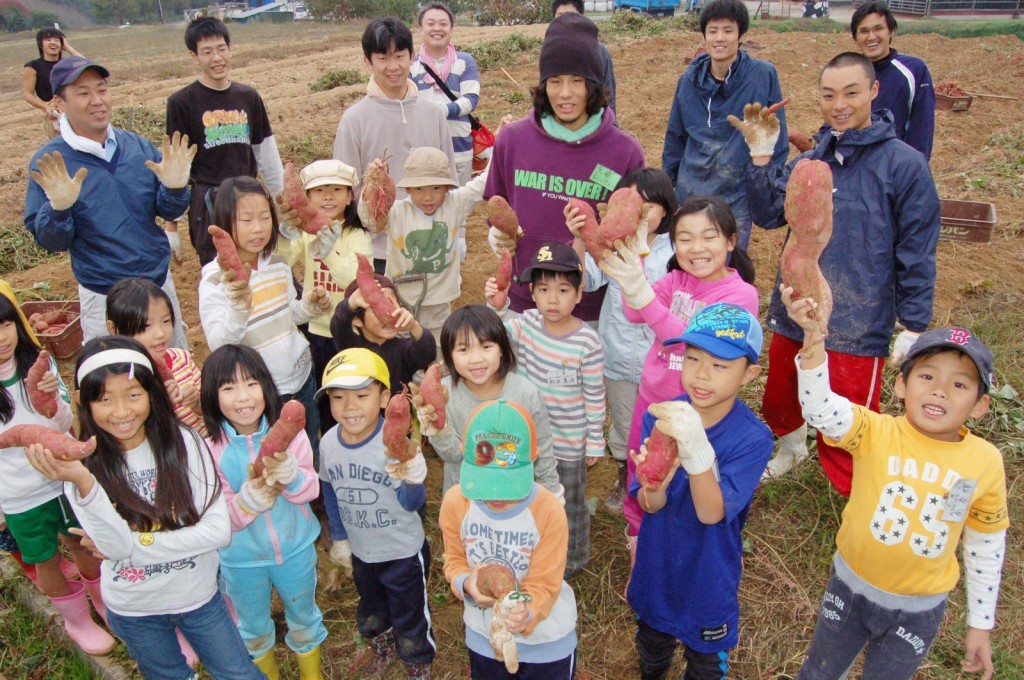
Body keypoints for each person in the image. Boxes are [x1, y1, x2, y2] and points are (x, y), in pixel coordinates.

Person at [735, 51, 940, 490]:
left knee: (846, 413)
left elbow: (917, 247)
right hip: (797, 303)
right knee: (782, 393)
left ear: (873, 91)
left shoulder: (903, 165)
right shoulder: (814, 161)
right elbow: (771, 214)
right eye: (828, 95)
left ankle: (853, 490)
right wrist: (760, 155)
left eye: (851, 92)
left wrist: (914, 322)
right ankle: (791, 446)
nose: (838, 104)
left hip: (857, 316)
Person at [781, 289, 1007, 680]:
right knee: (818, 673)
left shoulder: (985, 462)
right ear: (901, 385)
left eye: (959, 385)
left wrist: (980, 625)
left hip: (919, 612)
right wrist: (813, 342)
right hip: (848, 591)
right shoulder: (875, 431)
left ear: (980, 406)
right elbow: (819, 408)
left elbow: (985, 545)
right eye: (927, 375)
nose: (939, 389)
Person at [25, 336, 263, 679]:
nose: (122, 411)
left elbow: (217, 531)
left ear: (153, 392)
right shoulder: (82, 470)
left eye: (134, 395)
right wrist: (87, 487)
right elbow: (114, 546)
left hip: (198, 598)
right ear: (82, 400)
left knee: (240, 674)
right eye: (105, 399)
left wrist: (135, 547)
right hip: (134, 610)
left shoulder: (184, 442)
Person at [596, 197, 758, 565]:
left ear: (731, 241)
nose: (696, 248)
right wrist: (633, 269)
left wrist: (644, 295)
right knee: (646, 469)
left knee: (688, 479)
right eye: (684, 238)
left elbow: (690, 339)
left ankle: (683, 547)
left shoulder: (740, 295)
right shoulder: (674, 280)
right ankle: (637, 534)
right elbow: (635, 313)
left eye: (708, 237)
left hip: (700, 410)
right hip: (652, 399)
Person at [628, 303, 773, 680]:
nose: (702, 375)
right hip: (657, 562)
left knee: (706, 661)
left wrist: (696, 451)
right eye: (693, 359)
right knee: (652, 642)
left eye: (720, 365)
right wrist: (652, 483)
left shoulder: (752, 438)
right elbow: (649, 503)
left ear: (749, 374)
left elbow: (711, 513)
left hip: (709, 572)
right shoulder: (661, 416)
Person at [24, 57, 195, 349]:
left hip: (155, 284)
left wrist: (176, 189)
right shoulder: (52, 163)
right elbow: (53, 242)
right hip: (103, 294)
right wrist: (58, 208)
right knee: (113, 378)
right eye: (83, 92)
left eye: (102, 90)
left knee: (173, 372)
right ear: (60, 102)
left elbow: (169, 210)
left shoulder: (137, 147)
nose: (97, 101)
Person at [485, 11, 645, 322]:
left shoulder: (624, 152)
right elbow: (497, 208)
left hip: (589, 313)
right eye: (555, 81)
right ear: (543, 85)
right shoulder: (512, 141)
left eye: (577, 81)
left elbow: (632, 237)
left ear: (594, 86)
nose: (565, 93)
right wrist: (498, 237)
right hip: (523, 304)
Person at [0, 282, 115, 656]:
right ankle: (76, 619)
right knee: (44, 557)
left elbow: (65, 422)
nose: (2, 338)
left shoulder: (39, 366)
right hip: (19, 495)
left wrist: (50, 401)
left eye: (5, 325)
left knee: (82, 544)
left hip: (63, 481)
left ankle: (103, 602)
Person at [201, 344, 326, 679]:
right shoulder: (211, 450)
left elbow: (311, 489)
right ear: (212, 397)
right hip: (241, 559)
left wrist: (292, 477)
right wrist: (246, 505)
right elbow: (216, 519)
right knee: (252, 626)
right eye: (229, 388)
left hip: (295, 547)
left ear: (266, 386)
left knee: (304, 616)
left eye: (251, 384)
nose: (243, 397)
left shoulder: (290, 434)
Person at [485, 243, 604, 577]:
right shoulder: (526, 325)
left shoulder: (586, 342)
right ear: (533, 294)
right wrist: (498, 305)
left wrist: (594, 441)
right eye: (543, 289)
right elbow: (497, 334)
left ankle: (573, 558)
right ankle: (535, 548)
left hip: (567, 443)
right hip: (526, 437)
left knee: (569, 503)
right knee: (528, 494)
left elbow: (594, 396)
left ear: (579, 294)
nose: (553, 299)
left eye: (563, 290)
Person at [439, 399, 578, 678]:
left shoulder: (548, 511)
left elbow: (545, 582)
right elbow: (453, 560)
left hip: (545, 642)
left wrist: (526, 611)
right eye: (485, 484)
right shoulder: (456, 503)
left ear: (533, 460)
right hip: (484, 638)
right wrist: (466, 583)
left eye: (507, 486)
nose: (495, 497)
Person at [564, 168, 676, 513]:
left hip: (657, 360)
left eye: (649, 204)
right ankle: (626, 477)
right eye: (631, 202)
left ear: (666, 209)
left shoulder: (674, 250)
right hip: (616, 355)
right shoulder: (614, 244)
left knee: (661, 426)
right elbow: (588, 281)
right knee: (627, 427)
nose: (639, 211)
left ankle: (660, 482)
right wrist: (581, 239)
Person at [318, 348, 435, 679]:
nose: (349, 405)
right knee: (371, 609)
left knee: (411, 614)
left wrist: (413, 476)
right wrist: (339, 538)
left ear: (384, 398)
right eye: (338, 397)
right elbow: (330, 491)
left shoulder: (394, 443)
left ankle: (417, 660)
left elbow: (412, 504)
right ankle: (381, 649)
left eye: (361, 395)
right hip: (362, 552)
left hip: (402, 552)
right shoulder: (328, 444)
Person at [198, 176, 331, 453]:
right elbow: (219, 343)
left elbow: (289, 315)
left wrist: (308, 308)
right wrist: (238, 307)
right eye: (246, 220)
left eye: (264, 218)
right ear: (225, 221)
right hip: (264, 390)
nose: (258, 229)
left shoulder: (277, 262)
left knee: (308, 445)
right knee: (276, 455)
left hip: (303, 377)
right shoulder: (215, 278)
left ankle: (312, 494)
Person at [661, 0, 788, 250]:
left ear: (741, 35)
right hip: (690, 190)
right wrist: (667, 188)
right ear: (704, 36)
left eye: (728, 30)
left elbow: (777, 138)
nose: (720, 38)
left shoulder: (762, 76)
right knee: (688, 261)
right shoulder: (688, 80)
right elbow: (675, 137)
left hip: (736, 194)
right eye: (713, 30)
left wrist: (771, 188)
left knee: (727, 268)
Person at [334, 17, 456, 273]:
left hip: (430, 246)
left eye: (400, 56)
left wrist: (458, 236)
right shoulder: (354, 120)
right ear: (368, 61)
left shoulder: (433, 114)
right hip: (377, 252)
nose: (393, 66)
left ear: (412, 56)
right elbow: (345, 191)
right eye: (382, 58)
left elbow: (450, 180)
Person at [165, 16, 284, 266]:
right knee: (219, 273)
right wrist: (171, 225)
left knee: (259, 264)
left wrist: (282, 201)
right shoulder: (181, 103)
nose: (217, 58)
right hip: (209, 203)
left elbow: (265, 152)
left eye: (221, 49)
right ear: (193, 56)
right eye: (207, 52)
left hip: (248, 196)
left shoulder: (248, 97)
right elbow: (176, 168)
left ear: (230, 49)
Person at [419, 304, 561, 497]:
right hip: (466, 497)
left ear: (502, 349)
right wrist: (437, 427)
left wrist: (552, 494)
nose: (476, 358)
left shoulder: (526, 394)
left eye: (486, 347)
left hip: (516, 495)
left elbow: (542, 450)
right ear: (449, 356)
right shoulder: (444, 395)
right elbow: (452, 455)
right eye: (463, 349)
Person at [358, 148, 488, 350]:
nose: (428, 197)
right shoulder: (398, 211)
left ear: (447, 188)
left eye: (436, 188)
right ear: (408, 189)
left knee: (436, 350)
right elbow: (370, 220)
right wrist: (373, 184)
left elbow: (483, 184)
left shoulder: (455, 204)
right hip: (399, 301)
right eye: (419, 189)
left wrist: (502, 145)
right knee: (401, 348)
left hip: (439, 302)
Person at [276, 159, 371, 435]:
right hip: (317, 328)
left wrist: (328, 251)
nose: (328, 197)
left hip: (352, 330)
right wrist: (285, 234)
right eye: (319, 191)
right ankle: (331, 441)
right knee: (327, 393)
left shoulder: (356, 235)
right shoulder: (306, 235)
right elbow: (284, 258)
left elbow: (357, 282)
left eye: (337, 190)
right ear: (306, 198)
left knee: (352, 390)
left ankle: (355, 437)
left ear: (350, 196)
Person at [106, 277, 206, 437]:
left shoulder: (182, 359)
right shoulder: (121, 380)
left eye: (166, 321)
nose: (160, 333)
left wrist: (197, 404)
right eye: (146, 326)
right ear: (114, 329)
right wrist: (161, 405)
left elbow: (212, 411)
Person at [850, 1, 935, 159]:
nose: (871, 37)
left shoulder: (914, 70)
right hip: (856, 166)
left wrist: (915, 168)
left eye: (878, 29)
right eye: (864, 31)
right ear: (855, 37)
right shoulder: (849, 72)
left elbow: (922, 128)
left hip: (895, 165)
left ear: (891, 31)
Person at [411, 2, 481, 187]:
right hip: (423, 151)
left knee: (458, 206)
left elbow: (471, 99)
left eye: (443, 24)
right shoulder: (410, 65)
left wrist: (439, 110)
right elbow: (410, 104)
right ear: (420, 29)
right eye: (431, 23)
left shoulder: (465, 61)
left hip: (459, 149)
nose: (437, 29)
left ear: (451, 29)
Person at [330, 274, 437, 395]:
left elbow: (427, 354)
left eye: (392, 305)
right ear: (357, 320)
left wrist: (414, 326)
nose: (390, 315)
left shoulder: (403, 348)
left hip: (399, 411)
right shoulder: (350, 346)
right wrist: (351, 302)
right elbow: (338, 324)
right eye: (378, 309)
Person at [551, 0, 616, 116]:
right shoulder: (549, 54)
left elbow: (609, 102)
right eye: (560, 17)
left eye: (572, 16)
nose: (566, 22)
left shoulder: (600, 52)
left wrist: (610, 129)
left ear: (582, 19)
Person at [22, 27, 82, 139]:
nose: (53, 42)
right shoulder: (33, 66)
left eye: (56, 40)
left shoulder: (67, 63)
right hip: (55, 113)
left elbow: (85, 64)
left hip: (74, 108)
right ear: (40, 44)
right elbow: (27, 94)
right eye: (48, 40)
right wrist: (45, 107)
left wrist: (68, 47)